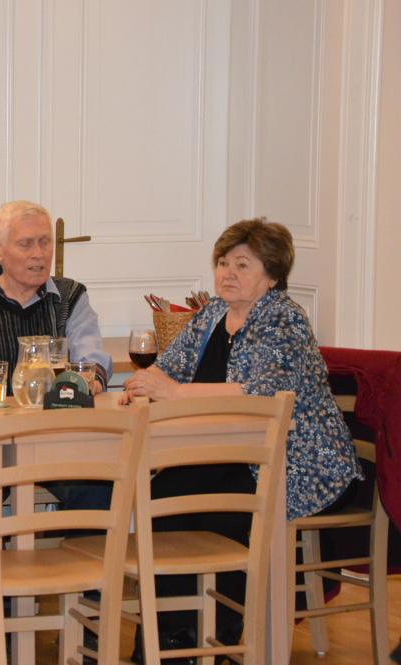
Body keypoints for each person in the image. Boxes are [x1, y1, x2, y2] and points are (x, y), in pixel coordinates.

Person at [122, 217, 362, 656]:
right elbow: (168, 367)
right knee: (160, 498)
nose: (227, 273)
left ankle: (221, 639)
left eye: (242, 265)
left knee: (224, 514)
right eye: (222, 263)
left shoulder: (283, 319)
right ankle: (167, 643)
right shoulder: (213, 314)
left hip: (294, 462)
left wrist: (173, 393)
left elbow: (264, 393)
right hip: (225, 453)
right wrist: (143, 385)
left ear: (271, 275)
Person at [0, 200, 113, 553]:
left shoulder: (71, 297)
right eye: (26, 244)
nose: (38, 254)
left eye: (45, 242)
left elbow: (92, 361)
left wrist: (89, 380)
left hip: (56, 442)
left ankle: (85, 577)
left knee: (98, 483)